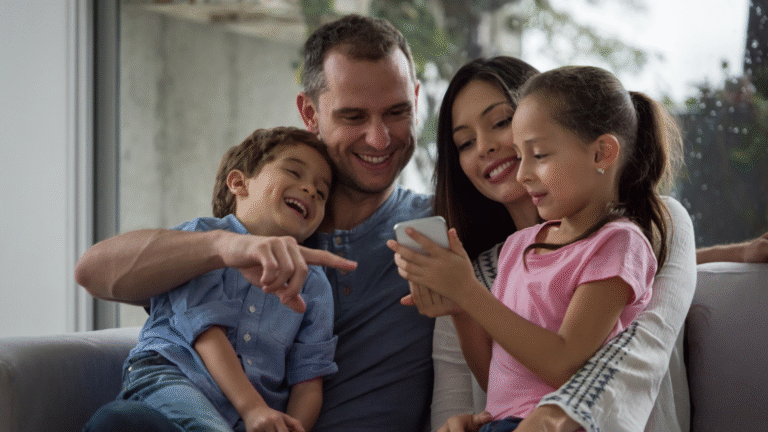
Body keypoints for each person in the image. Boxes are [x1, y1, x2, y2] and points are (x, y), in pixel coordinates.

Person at [76, 14, 433, 431]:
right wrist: (225, 247)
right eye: (353, 116)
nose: (379, 138)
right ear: (310, 113)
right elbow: (93, 272)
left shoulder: (437, 224)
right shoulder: (258, 221)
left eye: (397, 111)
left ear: (416, 100)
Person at [390, 61, 696, 432]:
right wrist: (461, 308)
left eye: (537, 154)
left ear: (601, 153)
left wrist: (470, 294)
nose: (521, 172)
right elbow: (501, 379)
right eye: (465, 143)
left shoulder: (625, 240)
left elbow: (565, 363)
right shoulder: (515, 248)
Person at [84, 127, 343, 432]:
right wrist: (253, 408)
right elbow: (206, 333)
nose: (310, 190)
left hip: (246, 418)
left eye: (321, 192)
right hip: (173, 379)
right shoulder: (200, 241)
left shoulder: (315, 285)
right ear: (238, 183)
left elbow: (309, 380)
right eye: (294, 172)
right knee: (120, 421)